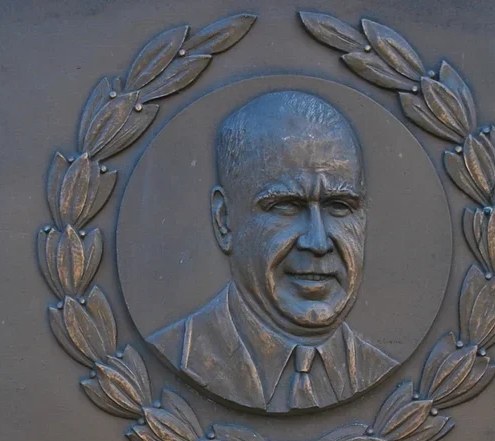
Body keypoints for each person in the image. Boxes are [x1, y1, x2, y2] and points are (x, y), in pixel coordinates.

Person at [146, 90, 397, 414]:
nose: (318, 242)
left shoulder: (381, 371)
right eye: (285, 206)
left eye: (339, 206)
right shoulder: (179, 353)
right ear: (224, 220)